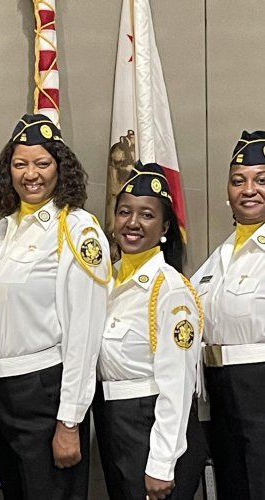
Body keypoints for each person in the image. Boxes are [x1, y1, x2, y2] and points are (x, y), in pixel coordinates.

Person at [0, 114, 111, 500]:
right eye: (20, 164)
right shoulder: (3, 230)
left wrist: (69, 421)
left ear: (60, 169)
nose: (31, 174)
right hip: (0, 395)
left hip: (45, 395)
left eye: (42, 163)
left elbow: (85, 332)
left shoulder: (77, 229)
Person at [94, 161, 206, 500]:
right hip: (115, 423)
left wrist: (161, 463)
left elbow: (178, 384)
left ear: (165, 226)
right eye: (124, 212)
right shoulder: (103, 280)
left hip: (152, 422)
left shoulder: (170, 290)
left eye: (146, 215)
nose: (132, 222)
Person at [191, 130, 265, 499]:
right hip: (219, 391)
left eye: (261, 180)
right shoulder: (215, 261)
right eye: (239, 181)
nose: (248, 189)